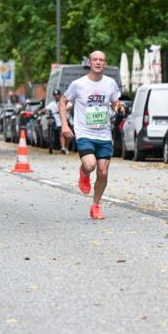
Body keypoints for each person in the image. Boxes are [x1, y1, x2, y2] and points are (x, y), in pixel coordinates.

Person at [60, 51, 124, 220]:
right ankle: (84, 173)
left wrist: (119, 107)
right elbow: (62, 101)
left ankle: (95, 205)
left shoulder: (110, 83)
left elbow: (115, 102)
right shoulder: (78, 84)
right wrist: (65, 125)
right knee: (90, 165)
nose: (98, 62)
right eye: (95, 59)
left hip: (103, 134)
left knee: (103, 172)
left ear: (105, 64)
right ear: (89, 63)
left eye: (101, 60)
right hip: (85, 133)